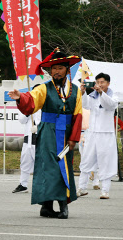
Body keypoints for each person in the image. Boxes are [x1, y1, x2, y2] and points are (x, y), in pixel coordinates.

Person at [8, 49, 83, 219]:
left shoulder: (76, 90)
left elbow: (78, 115)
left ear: (67, 70)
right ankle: (47, 206)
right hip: (48, 132)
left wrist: (73, 138)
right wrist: (21, 97)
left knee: (64, 166)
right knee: (48, 168)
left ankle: (62, 204)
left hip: (66, 133)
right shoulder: (44, 88)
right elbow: (31, 101)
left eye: (60, 68)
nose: (56, 72)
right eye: (53, 68)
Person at [78, 73, 119, 199]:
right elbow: (85, 105)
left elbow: (109, 105)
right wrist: (83, 92)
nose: (99, 85)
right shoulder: (92, 96)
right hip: (92, 133)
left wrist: (101, 93)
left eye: (102, 82)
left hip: (106, 134)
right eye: (98, 82)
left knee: (105, 162)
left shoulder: (114, 96)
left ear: (108, 83)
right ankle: (82, 188)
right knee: (86, 160)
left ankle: (105, 190)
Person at [14, 87, 42, 194]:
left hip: (40, 139)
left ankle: (40, 185)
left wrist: (38, 127)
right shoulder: (26, 106)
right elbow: (21, 120)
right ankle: (23, 184)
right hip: (28, 139)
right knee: (25, 162)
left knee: (40, 164)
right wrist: (27, 111)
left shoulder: (45, 106)